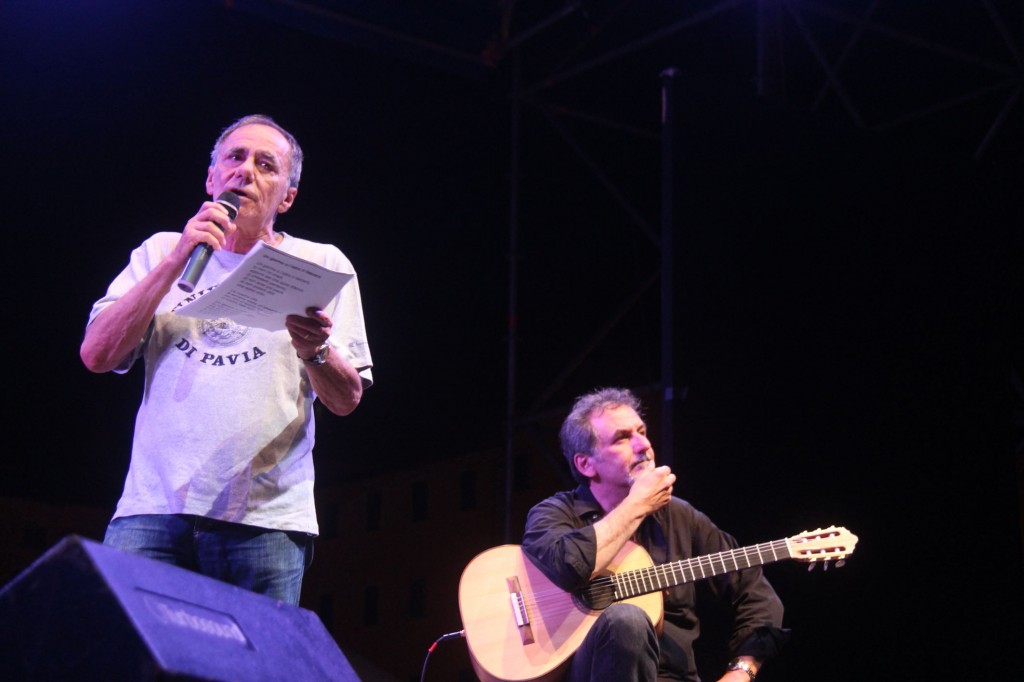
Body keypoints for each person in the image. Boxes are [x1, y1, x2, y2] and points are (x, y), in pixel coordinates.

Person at [79, 114, 373, 605]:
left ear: (287, 197)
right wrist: (178, 258)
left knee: (254, 654)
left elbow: (346, 400)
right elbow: (97, 355)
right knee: (126, 647)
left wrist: (315, 351)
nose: (245, 171)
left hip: (264, 522)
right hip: (151, 511)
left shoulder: (321, 264)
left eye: (266, 164)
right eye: (235, 157)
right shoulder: (161, 251)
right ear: (211, 177)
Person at [522, 387, 788, 681]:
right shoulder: (554, 514)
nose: (643, 445)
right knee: (627, 619)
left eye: (642, 432)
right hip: (590, 674)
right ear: (586, 464)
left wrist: (742, 671)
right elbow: (567, 566)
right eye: (622, 438)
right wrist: (636, 505)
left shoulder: (680, 516)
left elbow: (756, 591)